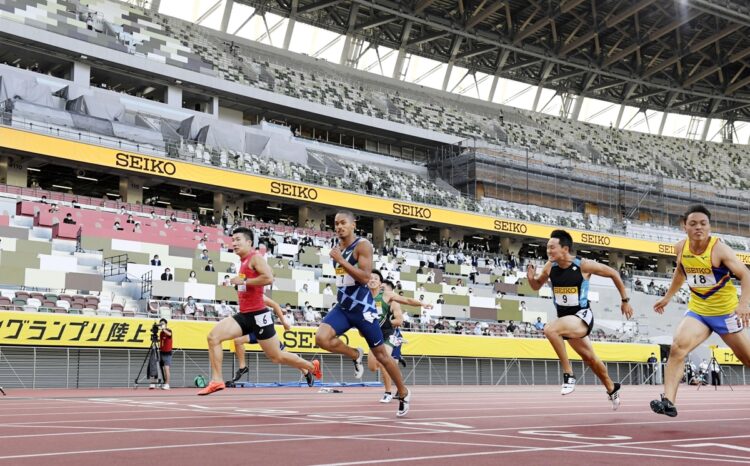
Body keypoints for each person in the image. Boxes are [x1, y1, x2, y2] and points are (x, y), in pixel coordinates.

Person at [651, 205, 750, 417]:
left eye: (703, 224)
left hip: (726, 313)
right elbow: (680, 272)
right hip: (698, 311)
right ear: (684, 226)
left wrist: (743, 305)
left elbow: (746, 275)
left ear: (709, 227)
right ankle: (668, 401)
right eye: (693, 223)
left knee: (748, 359)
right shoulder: (681, 248)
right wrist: (668, 297)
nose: (698, 228)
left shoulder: (719, 249)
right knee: (677, 348)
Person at [198, 227, 321, 395]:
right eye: (232, 240)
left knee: (277, 356)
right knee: (213, 337)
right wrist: (236, 281)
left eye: (238, 240)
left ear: (249, 242)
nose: (234, 243)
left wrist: (244, 281)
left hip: (258, 315)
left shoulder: (255, 258)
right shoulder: (242, 263)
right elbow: (247, 283)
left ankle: (310, 366)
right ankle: (217, 380)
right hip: (244, 315)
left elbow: (268, 278)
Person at [314, 211, 411, 416]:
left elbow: (365, 278)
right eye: (336, 223)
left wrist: (341, 260)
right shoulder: (337, 248)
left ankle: (403, 391)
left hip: (363, 311)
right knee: (321, 338)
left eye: (343, 223)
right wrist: (339, 259)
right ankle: (354, 354)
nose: (339, 227)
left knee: (381, 357)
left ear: (353, 225)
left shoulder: (362, 245)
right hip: (343, 307)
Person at [526, 229, 632, 410]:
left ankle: (568, 374)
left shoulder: (583, 265)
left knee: (550, 329)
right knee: (590, 359)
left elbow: (614, 273)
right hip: (566, 320)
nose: (548, 251)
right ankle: (612, 388)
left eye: (552, 248)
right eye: (547, 248)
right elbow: (536, 286)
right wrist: (530, 277)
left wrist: (624, 301)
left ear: (565, 249)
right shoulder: (550, 267)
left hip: (582, 317)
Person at [231, 296, 316, 387]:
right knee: (238, 341)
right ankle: (242, 367)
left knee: (283, 357)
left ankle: (307, 370)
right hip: (255, 329)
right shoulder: (244, 298)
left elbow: (274, 304)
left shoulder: (256, 294)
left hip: (265, 330)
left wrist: (284, 321)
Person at [158, 318, 172, 390]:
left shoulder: (168, 330)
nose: (161, 325)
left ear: (166, 324)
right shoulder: (161, 333)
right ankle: (164, 382)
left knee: (167, 369)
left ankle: (167, 384)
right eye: (160, 324)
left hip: (167, 353)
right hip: (162, 352)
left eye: (163, 323)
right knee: (162, 369)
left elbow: (169, 334)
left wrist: (163, 329)